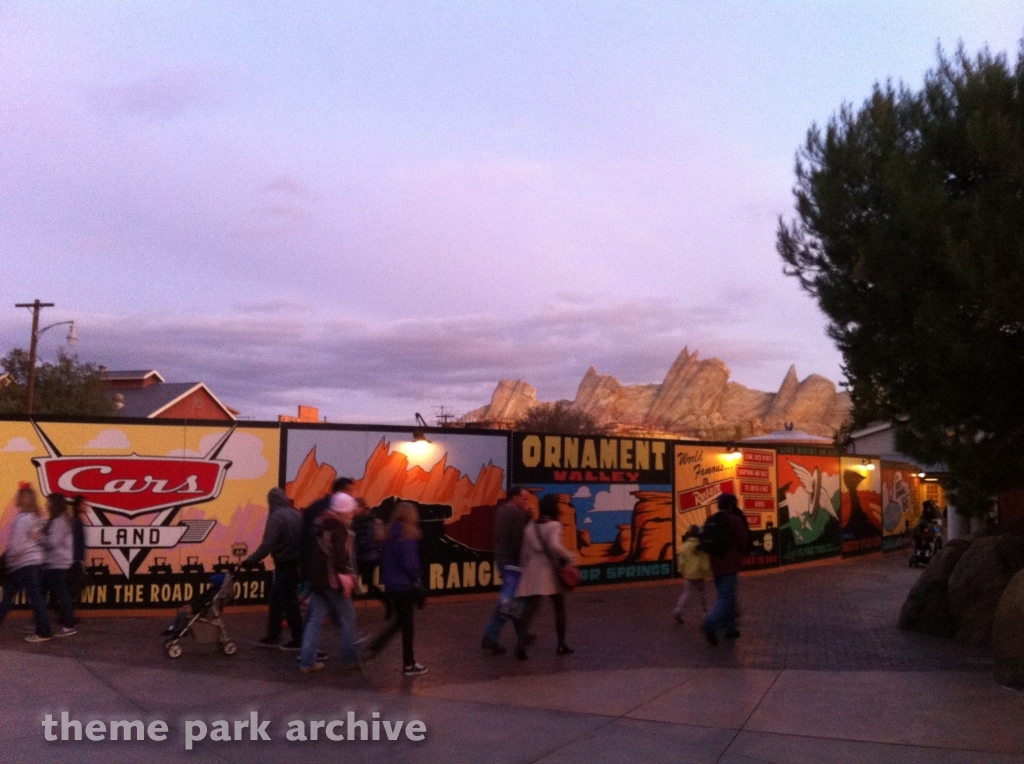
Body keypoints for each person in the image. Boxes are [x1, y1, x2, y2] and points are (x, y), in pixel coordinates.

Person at [298, 492, 360, 673]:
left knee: (313, 621)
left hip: (318, 580)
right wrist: (347, 577)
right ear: (344, 511)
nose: (351, 514)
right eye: (350, 511)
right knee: (347, 619)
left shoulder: (320, 525)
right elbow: (340, 557)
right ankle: (350, 658)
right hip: (333, 581)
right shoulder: (338, 528)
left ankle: (306, 662)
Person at [364, 502, 426, 676]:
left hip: (390, 584)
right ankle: (409, 664)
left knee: (400, 622)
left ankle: (375, 648)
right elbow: (409, 563)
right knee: (407, 627)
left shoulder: (389, 532)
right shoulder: (408, 533)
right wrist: (417, 579)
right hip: (404, 584)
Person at [513, 494, 575, 659]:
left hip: (533, 571)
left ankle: (519, 646)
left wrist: (523, 570)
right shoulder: (553, 525)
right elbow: (554, 545)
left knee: (530, 610)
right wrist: (568, 556)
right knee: (559, 608)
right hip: (550, 572)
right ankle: (561, 645)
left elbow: (524, 552)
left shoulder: (530, 526)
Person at [243, 487, 304, 650]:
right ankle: (273, 634)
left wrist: (250, 561)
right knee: (277, 600)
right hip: (297, 564)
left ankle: (298, 638)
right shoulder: (296, 514)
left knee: (288, 602)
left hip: (284, 564)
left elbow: (267, 544)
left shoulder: (275, 518)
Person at [481, 486, 533, 655]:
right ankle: (492, 635)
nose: (526, 502)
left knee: (511, 602)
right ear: (514, 498)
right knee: (513, 603)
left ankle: (520, 633)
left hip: (503, 560)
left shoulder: (502, 511)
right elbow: (518, 540)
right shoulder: (517, 514)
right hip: (513, 564)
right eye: (524, 499)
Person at [0, 484, 55, 642]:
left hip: (21, 565)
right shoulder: (38, 518)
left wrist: (8, 560)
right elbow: (47, 542)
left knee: (19, 598)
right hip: (33, 564)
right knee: (27, 598)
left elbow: (15, 546)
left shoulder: (21, 519)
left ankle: (44, 632)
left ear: (21, 500)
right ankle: (44, 631)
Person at [700, 493, 751, 646]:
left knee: (724, 595)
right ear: (731, 505)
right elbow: (743, 540)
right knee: (726, 598)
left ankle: (730, 629)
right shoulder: (734, 520)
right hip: (730, 565)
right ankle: (710, 623)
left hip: (715, 565)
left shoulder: (711, 519)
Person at [41, 493, 77, 635]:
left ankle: (69, 624)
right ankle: (41, 622)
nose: (46, 505)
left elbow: (52, 543)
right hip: (54, 563)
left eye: (48, 502)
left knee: (58, 594)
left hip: (57, 563)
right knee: (43, 593)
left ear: (54, 504)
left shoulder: (59, 521)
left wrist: (39, 536)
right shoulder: (59, 520)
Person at [351, 497, 390, 619]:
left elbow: (365, 541)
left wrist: (354, 546)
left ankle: (389, 605)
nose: (353, 509)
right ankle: (389, 605)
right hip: (366, 557)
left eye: (355, 507)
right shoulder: (362, 520)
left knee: (365, 585)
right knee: (363, 585)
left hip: (367, 557)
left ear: (362, 507)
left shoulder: (365, 522)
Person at [672, 524, 711, 624]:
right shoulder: (701, 546)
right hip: (699, 574)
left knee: (685, 593)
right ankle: (705, 613)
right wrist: (708, 571)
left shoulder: (685, 546)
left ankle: (678, 610)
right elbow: (704, 560)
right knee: (702, 594)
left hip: (688, 574)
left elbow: (681, 560)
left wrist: (681, 570)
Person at [68, 496, 88, 601]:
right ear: (78, 506)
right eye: (83, 504)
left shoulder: (77, 520)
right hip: (74, 560)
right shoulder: (76, 521)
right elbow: (75, 542)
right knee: (81, 581)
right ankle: (65, 604)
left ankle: (65, 606)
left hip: (75, 559)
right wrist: (77, 559)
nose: (86, 506)